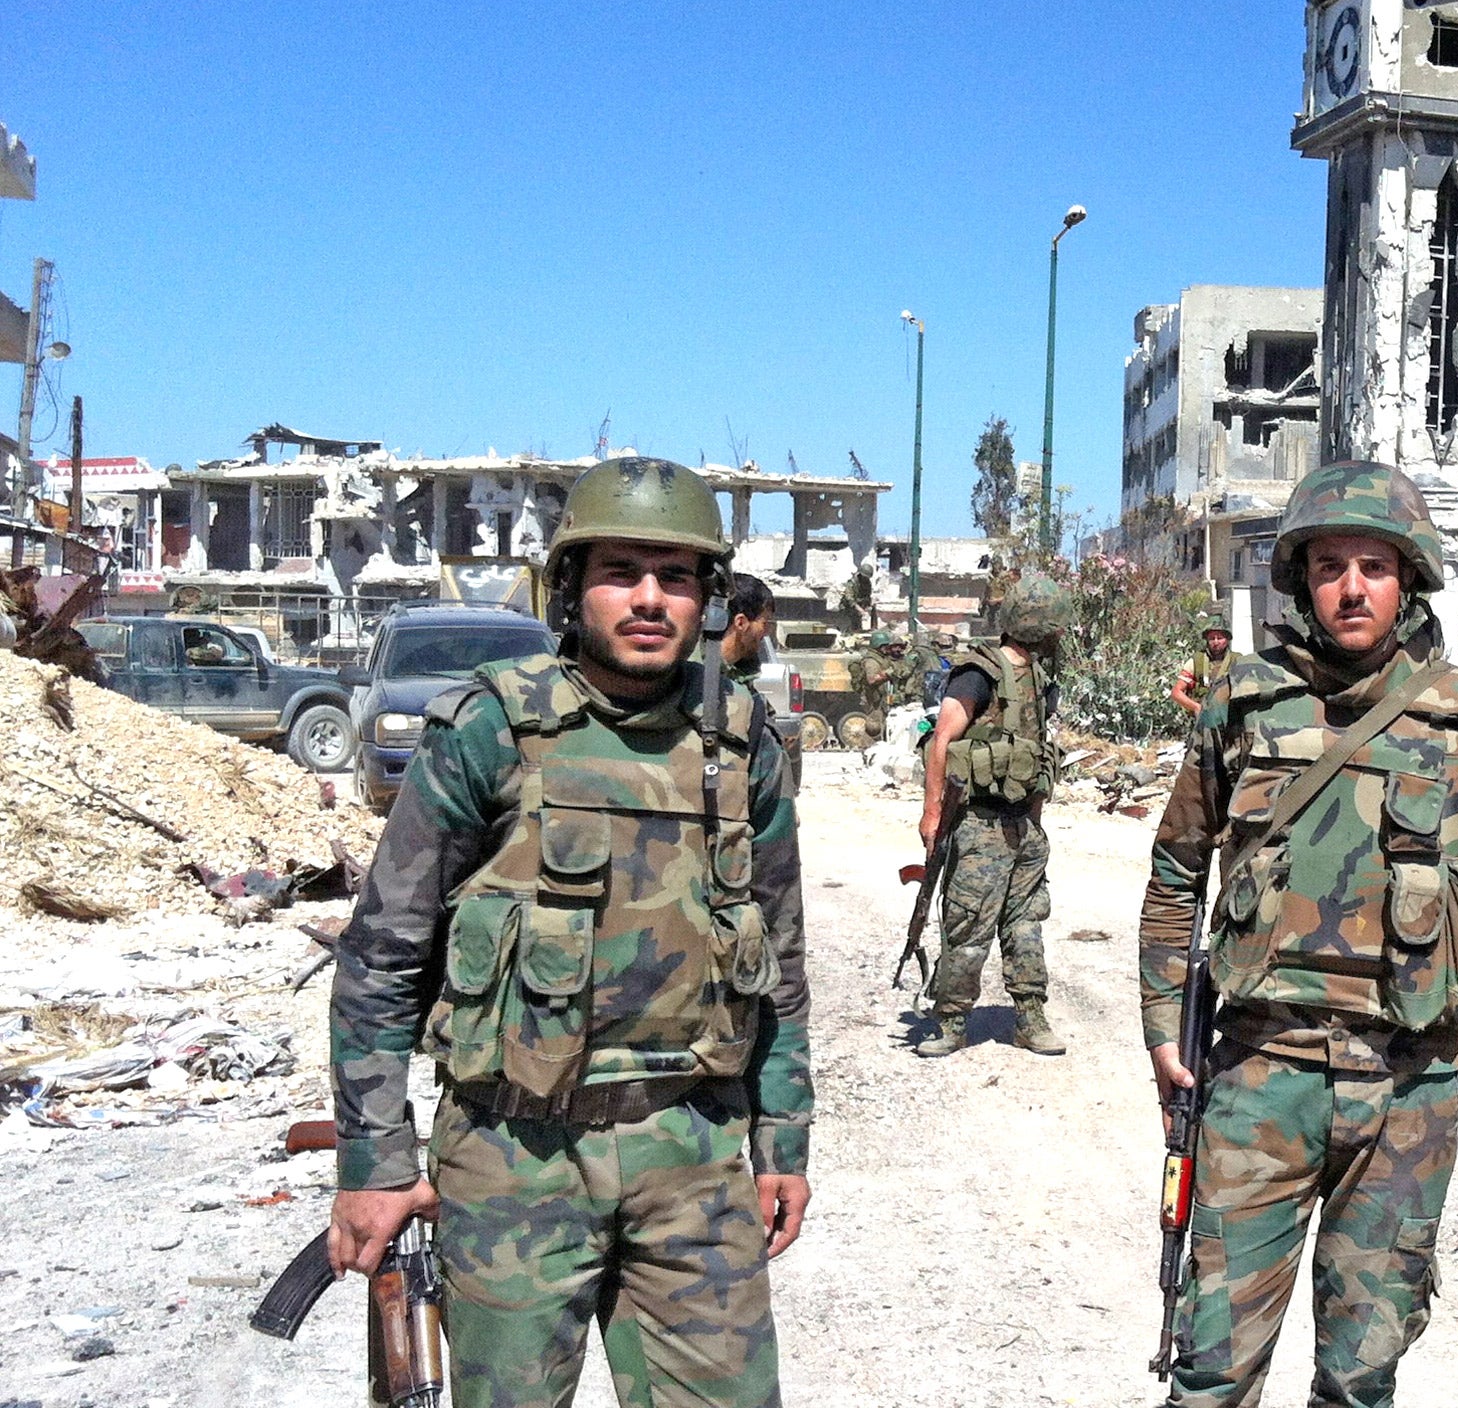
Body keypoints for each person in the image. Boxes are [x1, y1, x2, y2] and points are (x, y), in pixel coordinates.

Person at [326, 456, 812, 1408]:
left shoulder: (743, 742)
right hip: (515, 1156)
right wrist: (376, 1164)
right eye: (620, 572)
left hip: (693, 1149)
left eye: (675, 577)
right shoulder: (490, 729)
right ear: (570, 587)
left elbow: (781, 960)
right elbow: (383, 957)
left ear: (706, 600)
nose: (648, 599)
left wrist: (783, 1140)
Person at [1140, 461, 1458, 1408]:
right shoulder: (1240, 705)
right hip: (1258, 1081)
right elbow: (1173, 877)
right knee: (1211, 1374)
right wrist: (1163, 1023)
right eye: (1330, 566)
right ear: (1300, 579)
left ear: (1409, 578)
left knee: (1362, 1380)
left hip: (1410, 1089)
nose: (1351, 588)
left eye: (1374, 565)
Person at [914, 571, 1073, 1059]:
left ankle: (1030, 1017)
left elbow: (1038, 755)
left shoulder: (1041, 680)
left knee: (1026, 922)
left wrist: (1037, 822)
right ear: (1042, 625)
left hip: (1024, 825)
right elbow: (942, 739)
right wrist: (932, 810)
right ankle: (952, 1022)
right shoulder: (977, 674)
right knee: (968, 925)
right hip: (979, 824)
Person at [1170, 607, 1240, 716]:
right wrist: (1196, 707)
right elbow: (1176, 692)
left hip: (1231, 717)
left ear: (1227, 639)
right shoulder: (1196, 660)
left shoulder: (1238, 660)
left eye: (1220, 638)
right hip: (1202, 720)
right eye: (1212, 638)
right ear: (1207, 639)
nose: (1216, 642)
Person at [723, 570, 776, 685]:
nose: (767, 632)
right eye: (765, 623)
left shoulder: (748, 671)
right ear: (741, 623)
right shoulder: (694, 672)